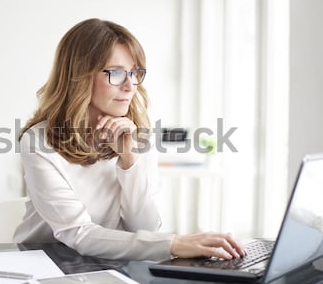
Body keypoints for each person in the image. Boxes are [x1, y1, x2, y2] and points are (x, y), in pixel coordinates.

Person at [13, 18, 245, 261]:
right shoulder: (38, 141)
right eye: (116, 73)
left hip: (105, 263)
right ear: (79, 76)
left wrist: (129, 160)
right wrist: (175, 243)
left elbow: (144, 229)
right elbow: (78, 233)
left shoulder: (137, 134)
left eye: (135, 73)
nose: (130, 85)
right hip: (41, 262)